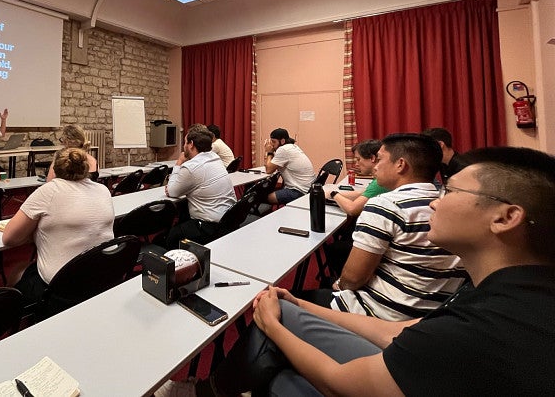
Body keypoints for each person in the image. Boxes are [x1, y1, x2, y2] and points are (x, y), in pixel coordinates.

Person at [200, 146, 555, 396]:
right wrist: (301, 304)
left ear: (506, 217)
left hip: (375, 334)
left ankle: (211, 386)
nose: (435, 199)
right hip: (397, 322)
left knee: (277, 367)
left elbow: (339, 381)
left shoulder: (481, 332)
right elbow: (394, 332)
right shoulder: (509, 293)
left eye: (450, 191)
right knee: (286, 304)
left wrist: (273, 325)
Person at [326, 133, 466, 321]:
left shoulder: (385, 205)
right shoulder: (446, 202)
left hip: (382, 314)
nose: (376, 165)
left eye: (381, 159)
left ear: (400, 164)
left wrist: (340, 285)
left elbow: (352, 279)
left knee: (282, 304)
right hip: (434, 315)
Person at [2, 147, 114, 305]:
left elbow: (9, 238)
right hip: (103, 278)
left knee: (17, 271)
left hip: (60, 289)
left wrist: (35, 233)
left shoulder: (49, 191)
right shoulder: (103, 190)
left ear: (54, 169)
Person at [164, 127, 236, 248]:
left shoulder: (191, 167)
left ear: (191, 144)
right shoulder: (215, 157)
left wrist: (179, 163)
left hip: (210, 227)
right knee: (184, 211)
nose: (184, 146)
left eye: (185, 142)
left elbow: (172, 191)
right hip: (229, 218)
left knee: (171, 237)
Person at [324, 139, 386, 217]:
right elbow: (361, 194)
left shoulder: (380, 182)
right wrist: (328, 194)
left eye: (358, 159)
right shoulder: (381, 177)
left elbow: (352, 209)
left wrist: (334, 194)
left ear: (372, 158)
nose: (356, 164)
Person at [264, 128, 315, 204]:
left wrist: (269, 152)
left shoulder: (283, 150)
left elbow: (268, 170)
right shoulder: (293, 147)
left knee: (268, 197)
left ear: (282, 141)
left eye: (274, 142)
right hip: (310, 188)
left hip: (300, 191)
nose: (272, 145)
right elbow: (271, 165)